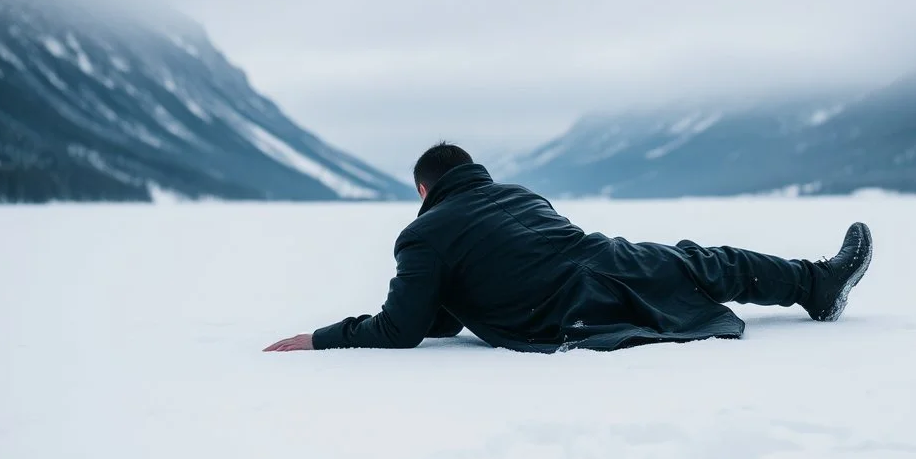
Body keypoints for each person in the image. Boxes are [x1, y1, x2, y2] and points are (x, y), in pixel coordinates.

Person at [264, 143, 873, 353]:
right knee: (707, 262)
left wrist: (323, 337)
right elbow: (450, 310)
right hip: (608, 258)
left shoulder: (422, 234)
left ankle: (820, 288)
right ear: (474, 173)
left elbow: (405, 327)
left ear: (424, 189)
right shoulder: (517, 192)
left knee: (701, 265)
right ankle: (815, 283)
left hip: (564, 304)